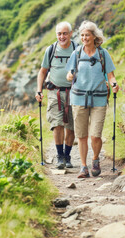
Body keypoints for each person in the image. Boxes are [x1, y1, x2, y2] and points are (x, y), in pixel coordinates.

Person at [66, 20, 119, 178]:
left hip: (99, 99)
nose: (84, 38)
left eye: (87, 35)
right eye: (82, 35)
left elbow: (111, 76)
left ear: (94, 36)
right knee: (81, 136)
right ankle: (83, 167)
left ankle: (95, 159)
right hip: (79, 98)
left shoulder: (103, 54)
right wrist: (70, 75)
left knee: (95, 135)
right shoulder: (76, 53)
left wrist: (114, 84)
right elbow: (69, 74)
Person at [35, 22, 78, 169]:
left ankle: (67, 156)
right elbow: (42, 72)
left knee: (71, 126)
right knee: (57, 124)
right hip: (55, 92)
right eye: (59, 34)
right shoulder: (51, 50)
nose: (62, 36)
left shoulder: (77, 49)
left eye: (65, 33)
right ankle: (60, 156)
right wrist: (39, 90)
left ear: (70, 34)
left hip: (74, 92)